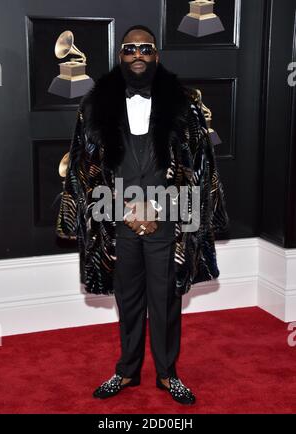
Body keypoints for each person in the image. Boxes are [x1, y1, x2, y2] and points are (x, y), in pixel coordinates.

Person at [56, 24, 229, 405]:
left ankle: (168, 374)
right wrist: (126, 209)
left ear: (156, 55)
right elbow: (87, 171)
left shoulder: (185, 105)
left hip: (167, 220)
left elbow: (198, 169)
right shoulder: (94, 105)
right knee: (128, 298)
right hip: (116, 217)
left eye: (145, 48)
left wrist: (157, 208)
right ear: (120, 56)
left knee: (165, 299)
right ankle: (126, 370)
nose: (138, 54)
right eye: (130, 48)